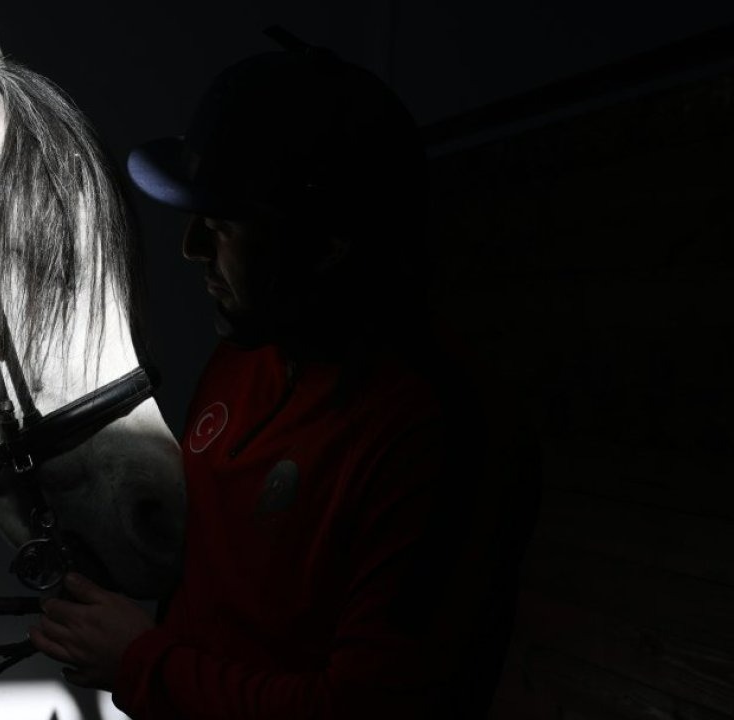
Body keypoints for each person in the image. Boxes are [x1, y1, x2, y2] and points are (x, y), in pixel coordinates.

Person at [28, 35, 539, 719]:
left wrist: (143, 662)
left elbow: (362, 710)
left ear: (327, 244)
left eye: (224, 226)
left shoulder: (431, 435)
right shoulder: (246, 357)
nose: (192, 250)